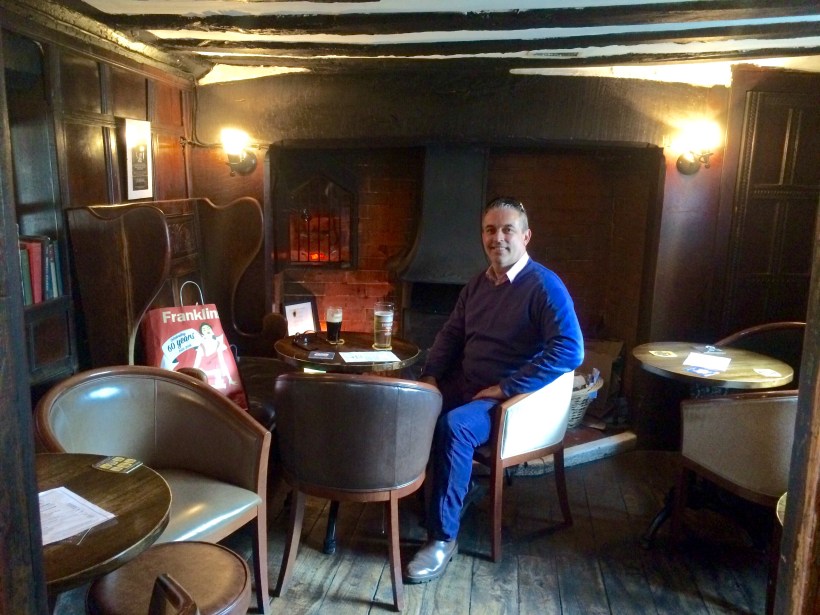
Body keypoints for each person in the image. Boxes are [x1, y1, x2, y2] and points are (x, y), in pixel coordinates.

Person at [404, 196, 584, 583]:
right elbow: (450, 335)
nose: (497, 237)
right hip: (468, 384)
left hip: (507, 402)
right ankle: (439, 495)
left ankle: (442, 539)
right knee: (414, 405)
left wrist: (506, 387)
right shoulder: (477, 285)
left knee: (455, 427)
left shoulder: (544, 286)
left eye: (507, 230)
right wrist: (431, 376)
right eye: (490, 230)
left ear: (525, 236)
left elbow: (571, 349)